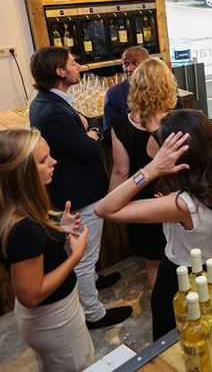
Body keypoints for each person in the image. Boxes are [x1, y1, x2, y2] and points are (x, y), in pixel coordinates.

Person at [95, 109, 212, 340]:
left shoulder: (182, 204)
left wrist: (150, 169)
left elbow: (104, 209)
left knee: (174, 343)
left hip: (179, 279)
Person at [29, 46, 132, 329]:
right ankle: (93, 314)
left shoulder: (49, 101)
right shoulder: (53, 110)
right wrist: (92, 132)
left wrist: (83, 129)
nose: (78, 66)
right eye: (72, 63)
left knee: (88, 253)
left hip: (75, 188)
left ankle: (95, 281)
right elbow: (89, 150)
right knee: (84, 257)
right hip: (78, 193)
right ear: (60, 71)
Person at [0, 129, 94, 371]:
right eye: (43, 160)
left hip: (53, 314)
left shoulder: (20, 208)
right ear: (23, 173)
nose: (54, 162)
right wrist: (75, 256)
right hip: (52, 318)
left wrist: (59, 229)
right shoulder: (24, 228)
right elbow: (30, 295)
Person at [109, 58, 177, 288]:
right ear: (168, 85)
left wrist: (113, 203)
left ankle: (162, 305)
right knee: (187, 257)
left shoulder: (120, 125)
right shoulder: (180, 121)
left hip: (141, 200)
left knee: (153, 262)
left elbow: (120, 172)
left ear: (135, 86)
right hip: (175, 198)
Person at [103, 46, 182, 140]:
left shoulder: (165, 87)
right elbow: (109, 131)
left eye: (135, 63)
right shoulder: (113, 94)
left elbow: (180, 119)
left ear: (147, 63)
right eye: (125, 64)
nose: (129, 68)